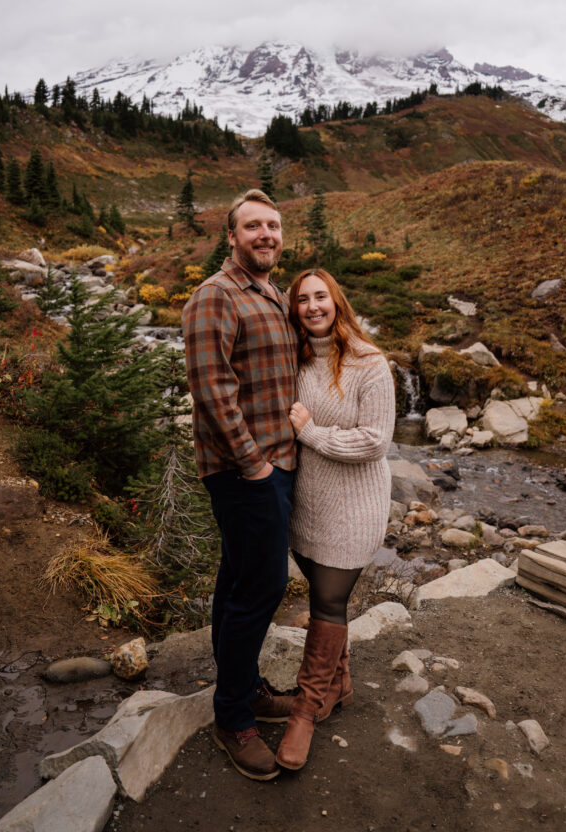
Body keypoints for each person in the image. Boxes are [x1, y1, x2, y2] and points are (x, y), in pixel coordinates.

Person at [183, 189, 299, 782]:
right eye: (253, 226)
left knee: (237, 579)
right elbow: (211, 387)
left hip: (275, 462)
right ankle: (232, 717)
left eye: (273, 226)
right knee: (263, 584)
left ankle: (245, 688)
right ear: (232, 237)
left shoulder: (271, 294)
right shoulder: (215, 296)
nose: (266, 235)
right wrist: (254, 464)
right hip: (244, 469)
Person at [275, 268, 396, 771]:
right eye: (302, 300)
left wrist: (311, 434)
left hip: (355, 507)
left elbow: (375, 442)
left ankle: (306, 708)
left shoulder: (371, 364)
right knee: (321, 590)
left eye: (320, 297)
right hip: (307, 504)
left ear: (336, 301)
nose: (312, 306)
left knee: (328, 601)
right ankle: (339, 683)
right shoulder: (297, 358)